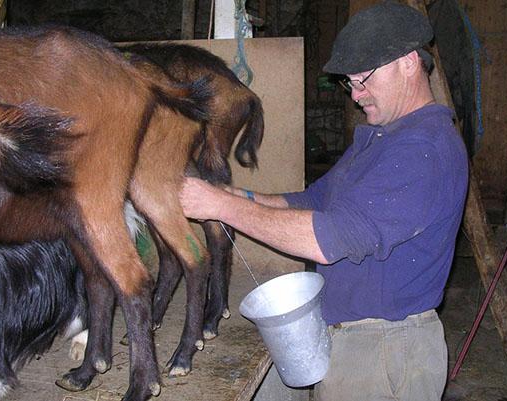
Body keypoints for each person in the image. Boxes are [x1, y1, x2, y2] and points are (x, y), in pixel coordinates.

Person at [179, 1, 469, 400]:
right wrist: (238, 194)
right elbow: (315, 199)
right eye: (350, 83)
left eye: (363, 79)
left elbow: (326, 239)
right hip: (345, 331)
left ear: (407, 63)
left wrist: (218, 206)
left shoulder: (423, 149)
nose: (356, 96)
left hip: (385, 350)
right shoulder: (383, 136)